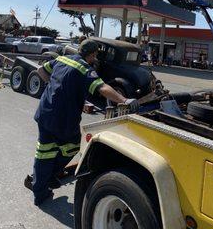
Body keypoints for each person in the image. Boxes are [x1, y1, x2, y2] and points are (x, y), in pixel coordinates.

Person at [24, 39, 138, 206]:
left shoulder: (62, 59)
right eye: (95, 56)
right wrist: (124, 99)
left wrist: (54, 85)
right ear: (91, 55)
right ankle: (47, 181)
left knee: (44, 152)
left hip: (45, 113)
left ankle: (41, 188)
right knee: (72, 147)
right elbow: (102, 87)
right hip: (63, 119)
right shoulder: (85, 68)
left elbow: (41, 70)